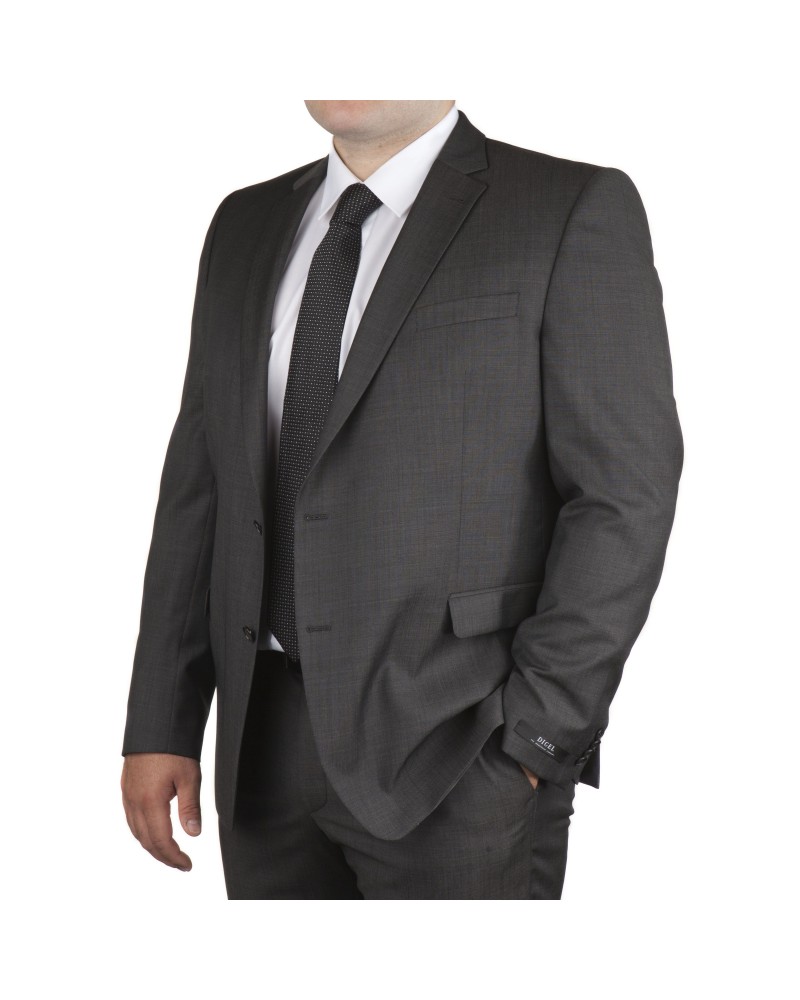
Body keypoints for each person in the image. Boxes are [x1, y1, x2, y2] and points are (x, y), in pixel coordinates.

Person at [120, 100, 684, 899]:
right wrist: (161, 722)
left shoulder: (566, 208)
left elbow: (624, 494)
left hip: (458, 750)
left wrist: (538, 737)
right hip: (261, 750)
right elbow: (199, 485)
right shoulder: (244, 223)